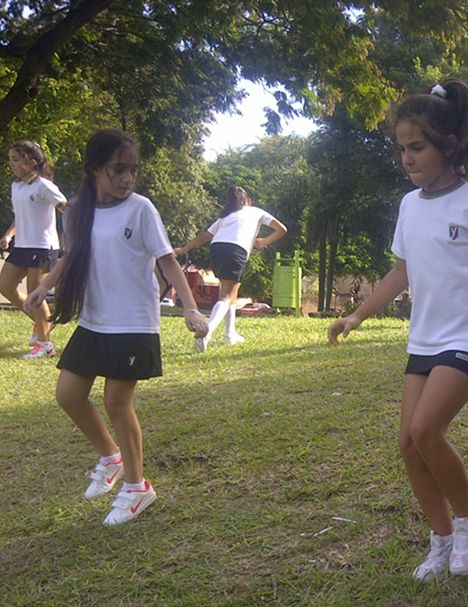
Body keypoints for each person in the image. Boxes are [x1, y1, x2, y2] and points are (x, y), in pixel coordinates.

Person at [328, 81, 468, 580]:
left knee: (426, 430)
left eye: (417, 147)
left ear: (448, 145)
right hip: (425, 340)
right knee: (408, 443)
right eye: (402, 148)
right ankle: (442, 537)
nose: (407, 158)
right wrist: (357, 316)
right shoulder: (410, 205)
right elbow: (400, 271)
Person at [24, 129, 207, 525]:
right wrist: (43, 286)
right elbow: (72, 255)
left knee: (116, 402)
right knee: (68, 394)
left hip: (134, 322)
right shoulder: (78, 210)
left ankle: (138, 488)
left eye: (133, 170)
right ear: (94, 169)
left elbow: (168, 261)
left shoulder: (141, 209)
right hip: (96, 320)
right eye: (118, 169)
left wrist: (191, 308)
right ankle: (111, 457)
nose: (127, 178)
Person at [175, 186, 287, 351]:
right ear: (248, 201)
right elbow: (281, 229)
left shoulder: (226, 216)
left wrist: (183, 249)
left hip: (216, 249)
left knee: (228, 293)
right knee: (227, 296)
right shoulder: (256, 211)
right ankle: (207, 332)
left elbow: (204, 236)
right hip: (235, 250)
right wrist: (264, 242)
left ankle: (230, 334)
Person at [1, 140, 67, 359]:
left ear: (32, 162)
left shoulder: (44, 186)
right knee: (5, 285)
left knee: (34, 294)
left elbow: (67, 209)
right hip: (22, 246)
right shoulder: (16, 187)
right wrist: (9, 235)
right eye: (10, 159)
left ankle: (45, 345)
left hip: (43, 247)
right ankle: (43, 324)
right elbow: (19, 217)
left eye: (16, 159)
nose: (12, 164)